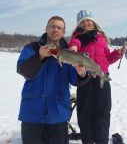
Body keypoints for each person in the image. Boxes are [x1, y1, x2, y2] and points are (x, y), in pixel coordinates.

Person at [17, 16, 88, 144]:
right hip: (32, 114)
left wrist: (82, 74)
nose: (55, 29)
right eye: (52, 26)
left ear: (63, 32)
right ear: (46, 28)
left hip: (58, 114)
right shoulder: (32, 48)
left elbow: (74, 80)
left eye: (59, 27)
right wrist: (40, 56)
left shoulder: (68, 53)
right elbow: (24, 71)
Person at [68, 10, 126, 144]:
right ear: (79, 25)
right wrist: (74, 49)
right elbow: (74, 44)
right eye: (82, 21)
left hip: (102, 79)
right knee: (85, 114)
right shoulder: (77, 37)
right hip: (85, 81)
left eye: (88, 20)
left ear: (93, 22)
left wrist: (118, 53)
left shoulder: (101, 38)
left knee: (103, 113)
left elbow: (106, 59)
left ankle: (101, 141)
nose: (86, 23)